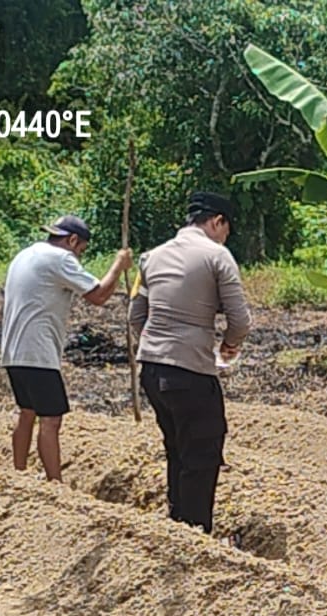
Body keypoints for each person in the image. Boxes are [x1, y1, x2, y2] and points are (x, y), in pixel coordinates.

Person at [129, 191, 253, 536]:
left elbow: (135, 317)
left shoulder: (151, 257)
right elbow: (241, 320)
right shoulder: (217, 256)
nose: (225, 237)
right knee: (201, 452)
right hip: (191, 370)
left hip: (152, 370)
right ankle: (195, 535)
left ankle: (177, 524)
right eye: (226, 229)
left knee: (176, 447)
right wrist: (228, 346)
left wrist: (158, 344)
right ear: (217, 221)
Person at [0, 215, 131, 482]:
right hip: (38, 352)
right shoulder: (59, 259)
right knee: (51, 419)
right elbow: (98, 295)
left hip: (14, 350)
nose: (79, 256)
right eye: (81, 250)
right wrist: (119, 265)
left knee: (27, 412)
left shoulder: (25, 255)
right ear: (72, 240)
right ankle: (55, 483)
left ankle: (18, 474)